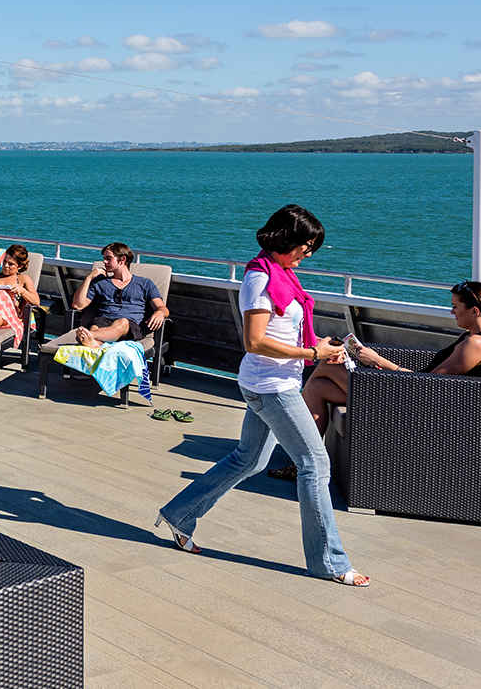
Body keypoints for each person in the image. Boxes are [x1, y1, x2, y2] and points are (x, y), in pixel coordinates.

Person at [156, 204, 369, 588]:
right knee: (315, 466)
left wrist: (318, 344)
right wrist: (312, 355)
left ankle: (179, 514)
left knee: (248, 460)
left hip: (271, 384)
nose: (309, 253)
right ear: (286, 241)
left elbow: (282, 332)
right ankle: (329, 562)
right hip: (273, 388)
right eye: (306, 245)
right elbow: (254, 341)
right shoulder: (259, 279)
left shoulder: (283, 275)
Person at [300, 280, 481, 436]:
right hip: (413, 393)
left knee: (329, 365)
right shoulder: (474, 338)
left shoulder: (476, 344)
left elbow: (428, 385)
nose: (451, 312)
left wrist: (377, 360)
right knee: (318, 387)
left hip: (415, 403)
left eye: (456, 307)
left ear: (474, 311)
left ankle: (297, 440)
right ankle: (309, 461)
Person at [70, 242, 168, 346]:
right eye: (104, 258)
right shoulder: (100, 282)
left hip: (130, 326)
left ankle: (89, 336)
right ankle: (94, 344)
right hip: (103, 322)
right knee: (95, 326)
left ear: (122, 260)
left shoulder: (144, 283)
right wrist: (89, 278)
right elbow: (78, 305)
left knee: (122, 322)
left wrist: (160, 313)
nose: (104, 261)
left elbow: (162, 307)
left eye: (108, 258)